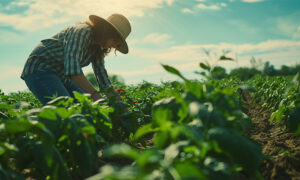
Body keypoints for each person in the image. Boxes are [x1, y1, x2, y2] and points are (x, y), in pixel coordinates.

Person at [20, 14, 131, 105]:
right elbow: (73, 71)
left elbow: (103, 79)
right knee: (68, 111)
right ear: (108, 32)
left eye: (118, 44)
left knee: (86, 107)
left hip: (61, 75)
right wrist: (97, 97)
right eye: (117, 41)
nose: (115, 46)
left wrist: (119, 103)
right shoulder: (83, 31)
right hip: (40, 69)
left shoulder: (98, 49)